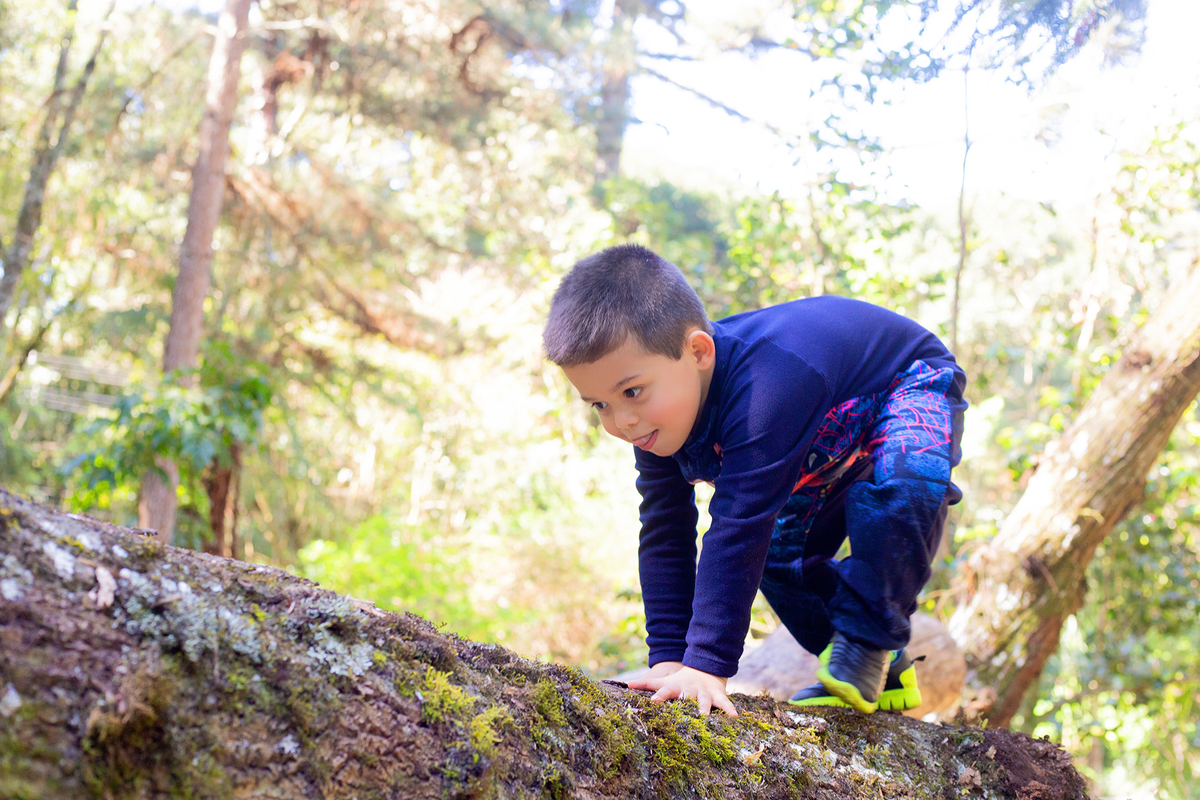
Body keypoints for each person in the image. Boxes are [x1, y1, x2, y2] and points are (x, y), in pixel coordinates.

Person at [542, 244, 966, 717]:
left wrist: (706, 666)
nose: (621, 422)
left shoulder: (765, 388)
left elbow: (740, 525)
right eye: (599, 404)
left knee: (907, 485)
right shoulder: (657, 427)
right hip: (817, 439)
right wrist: (670, 661)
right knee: (779, 560)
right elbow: (666, 532)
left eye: (632, 392)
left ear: (698, 352)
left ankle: (868, 643)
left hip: (903, 381)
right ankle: (885, 675)